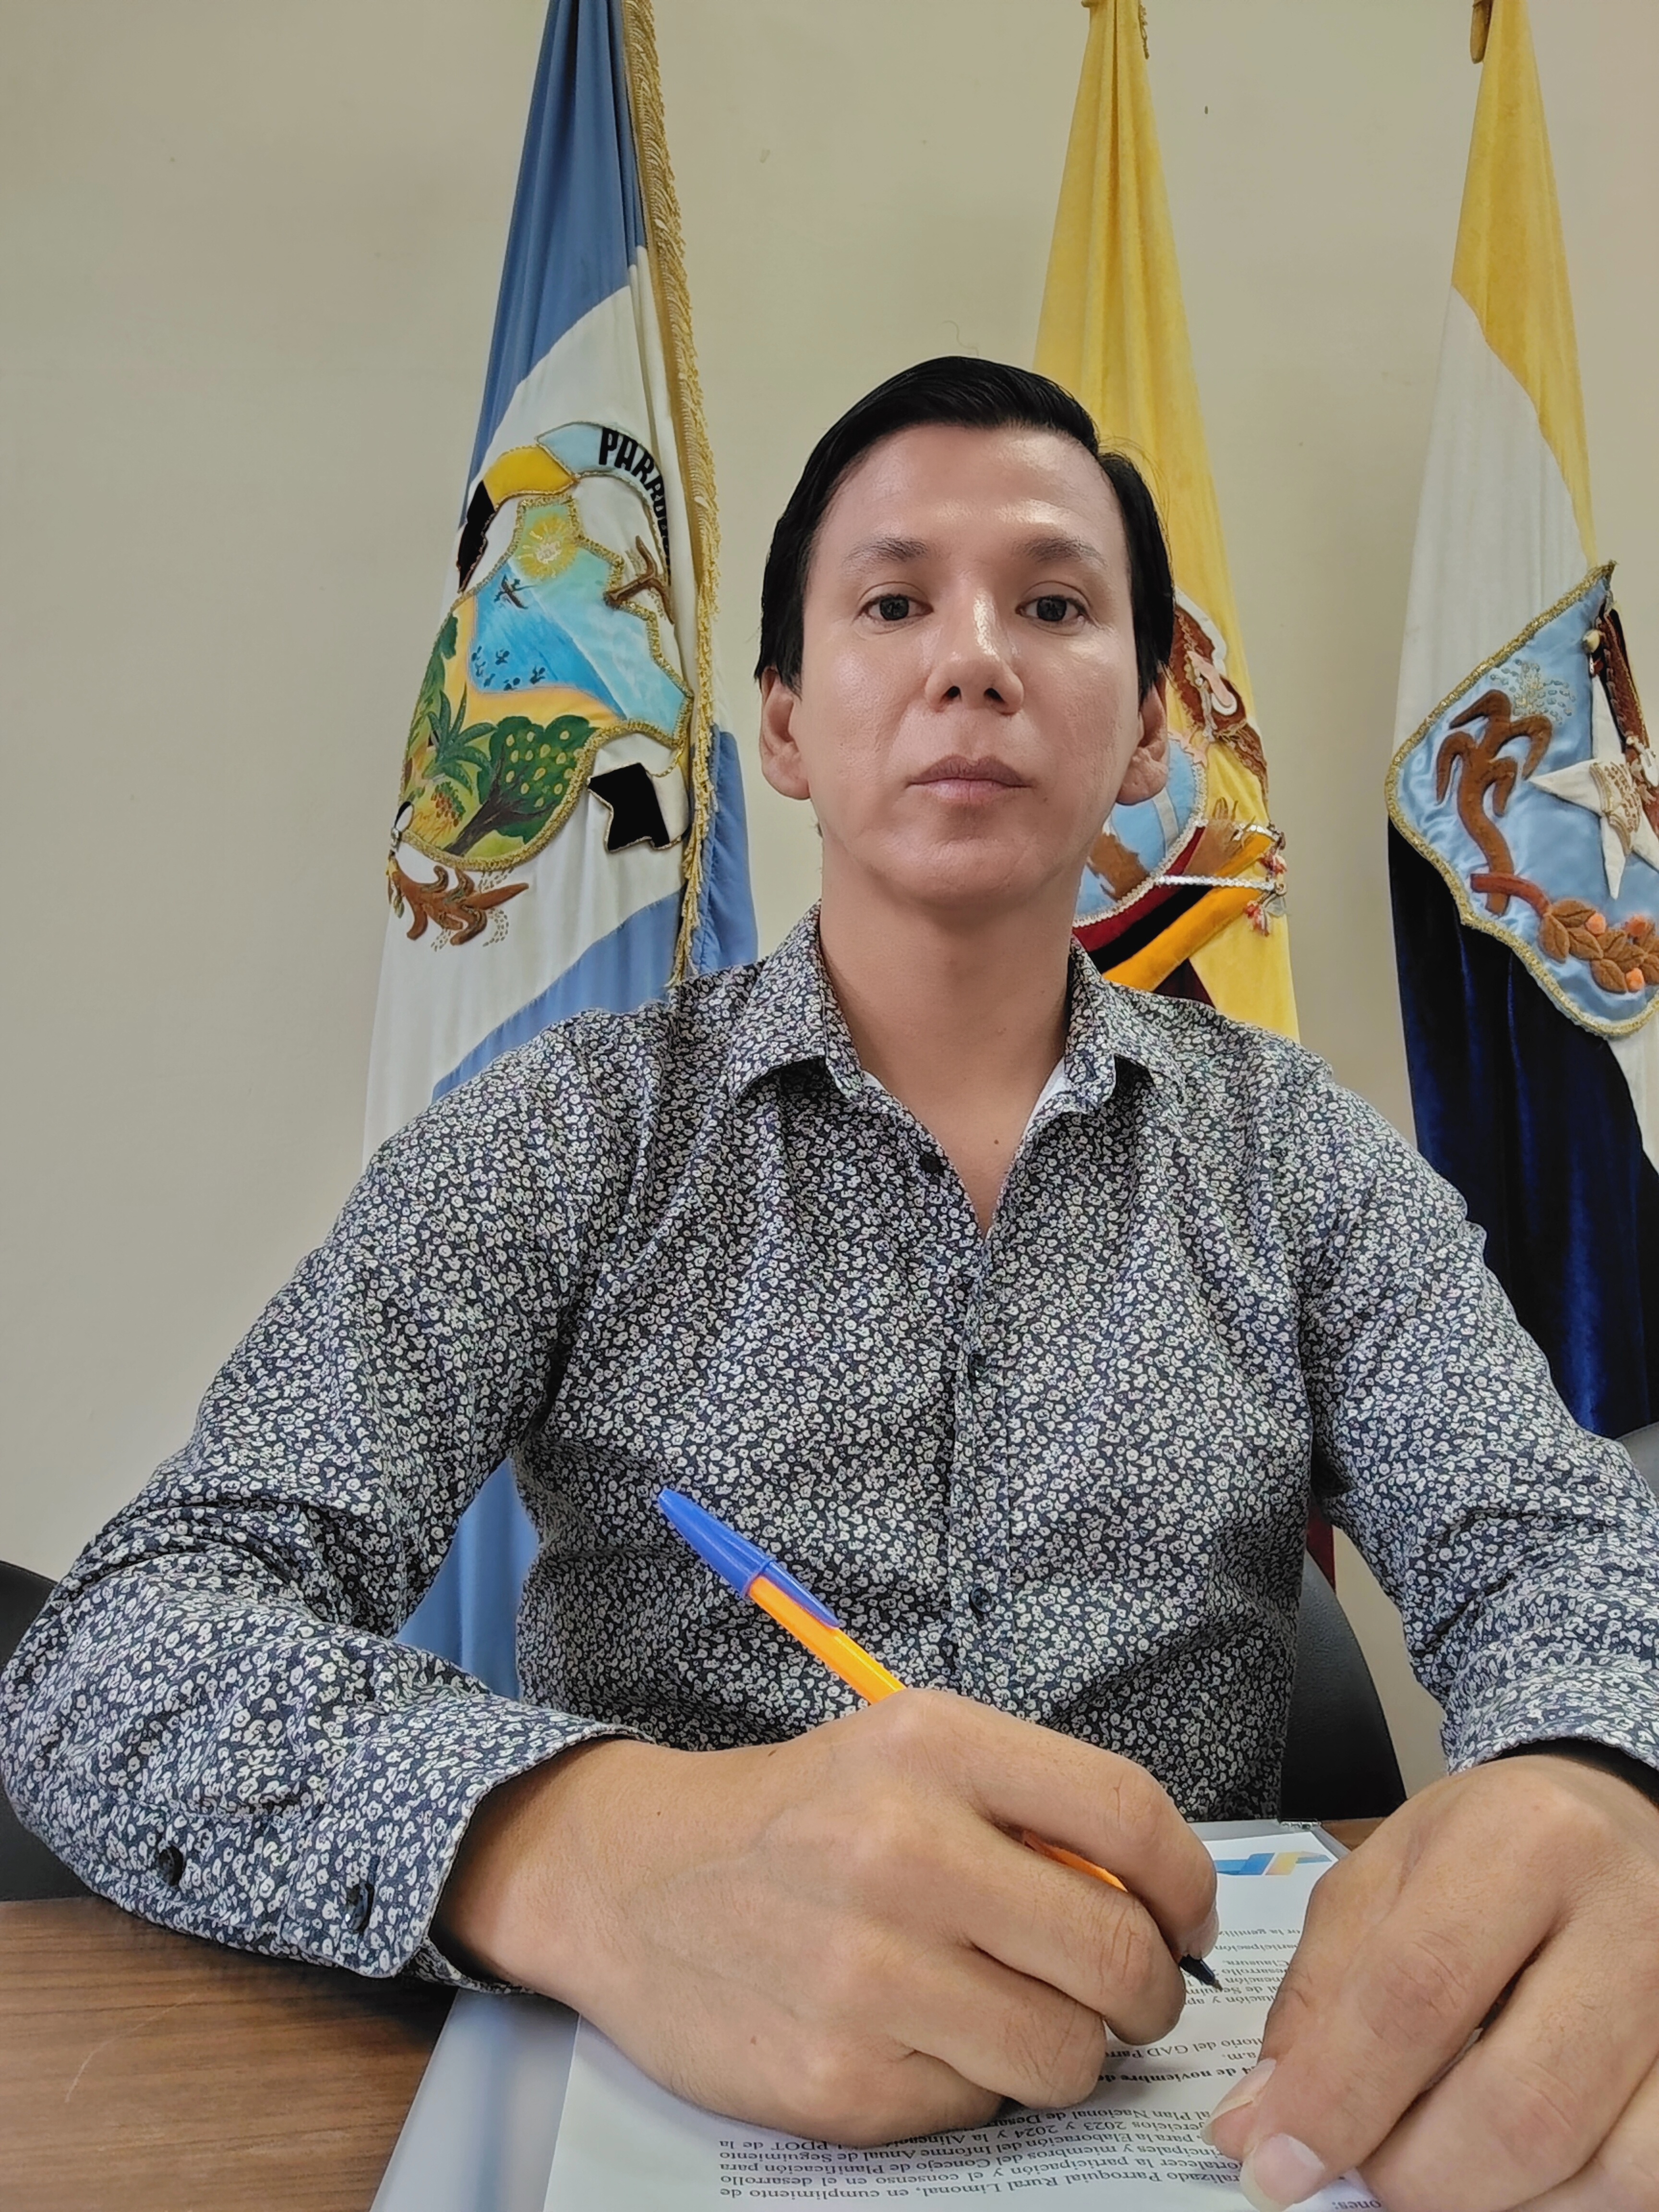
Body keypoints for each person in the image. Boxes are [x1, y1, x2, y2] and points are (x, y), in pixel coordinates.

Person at [7, 357, 1659, 2212]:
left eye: (1055, 604)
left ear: (1149, 727)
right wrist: (574, 1851)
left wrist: (1598, 1780)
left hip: (1194, 2107)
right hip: (673, 2122)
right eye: (891, 603)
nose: (974, 660)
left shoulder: (1297, 1153)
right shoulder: (569, 1137)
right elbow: (116, 1655)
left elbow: (1560, 1547)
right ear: (784, 723)